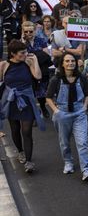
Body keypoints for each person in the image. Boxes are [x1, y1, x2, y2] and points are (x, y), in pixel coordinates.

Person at [46, 52, 88, 181]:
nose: (70, 63)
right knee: (65, 142)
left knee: (83, 142)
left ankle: (87, 170)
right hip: (62, 114)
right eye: (67, 61)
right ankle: (68, 162)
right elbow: (48, 97)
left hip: (79, 113)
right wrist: (56, 111)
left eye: (72, 61)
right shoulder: (56, 80)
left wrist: (85, 106)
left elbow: (87, 93)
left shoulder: (82, 77)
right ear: (62, 63)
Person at [0, 40, 44, 173]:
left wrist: (35, 60)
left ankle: (29, 162)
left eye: (25, 52)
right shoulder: (4, 65)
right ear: (13, 54)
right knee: (15, 129)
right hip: (11, 99)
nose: (25, 54)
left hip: (27, 100)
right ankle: (20, 151)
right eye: (22, 53)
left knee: (26, 131)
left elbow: (38, 76)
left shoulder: (28, 62)